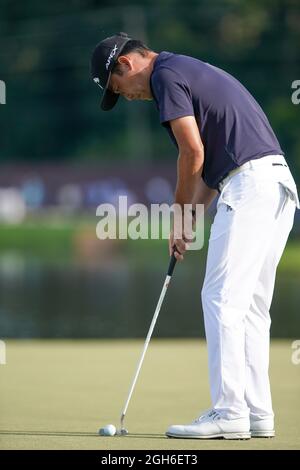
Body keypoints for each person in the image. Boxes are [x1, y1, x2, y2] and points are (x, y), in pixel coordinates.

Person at [90, 32, 299, 440]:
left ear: (127, 64)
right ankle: (257, 413)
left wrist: (179, 213)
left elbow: (192, 153)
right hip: (277, 185)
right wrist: (189, 221)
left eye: (120, 89)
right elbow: (208, 169)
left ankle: (230, 412)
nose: (128, 97)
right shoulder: (186, 67)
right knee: (251, 306)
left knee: (220, 298)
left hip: (250, 187)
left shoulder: (166, 76)